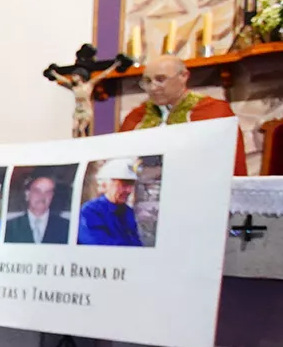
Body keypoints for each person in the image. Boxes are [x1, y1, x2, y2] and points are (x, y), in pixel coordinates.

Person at [119, 55, 247, 175]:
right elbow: (120, 164)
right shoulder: (136, 117)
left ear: (184, 76)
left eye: (160, 79)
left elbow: (227, 164)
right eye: (147, 81)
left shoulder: (214, 111)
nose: (153, 87)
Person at [47, 60, 123, 138]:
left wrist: (114, 66)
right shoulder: (74, 87)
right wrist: (54, 73)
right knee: (74, 128)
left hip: (86, 110)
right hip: (77, 110)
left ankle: (83, 142)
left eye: (75, 75)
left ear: (80, 76)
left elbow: (103, 75)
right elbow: (63, 79)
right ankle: (73, 143)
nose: (73, 77)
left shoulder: (89, 85)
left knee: (81, 128)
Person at [78, 158, 143, 247]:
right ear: (105, 185)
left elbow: (136, 243)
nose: (129, 190)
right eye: (123, 185)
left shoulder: (127, 211)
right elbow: (99, 246)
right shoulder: (90, 211)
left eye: (131, 184)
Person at [5, 172, 70, 244]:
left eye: (48, 192)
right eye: (37, 191)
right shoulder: (9, 227)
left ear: (52, 196)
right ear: (27, 194)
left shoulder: (66, 227)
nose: (42, 196)